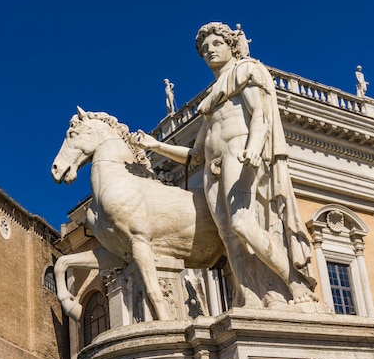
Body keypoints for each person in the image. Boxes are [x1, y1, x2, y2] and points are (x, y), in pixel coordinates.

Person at [133, 22, 317, 307]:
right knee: (229, 236)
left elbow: (259, 114)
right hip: (213, 166)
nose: (210, 51)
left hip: (239, 152)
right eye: (205, 48)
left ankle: (295, 285)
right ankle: (251, 298)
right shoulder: (210, 100)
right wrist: (156, 146)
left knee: (242, 223)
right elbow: (195, 155)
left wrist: (255, 146)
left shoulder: (244, 72)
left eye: (216, 44)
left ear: (231, 46)